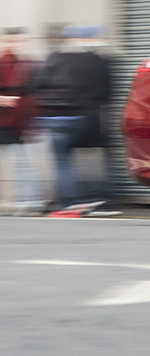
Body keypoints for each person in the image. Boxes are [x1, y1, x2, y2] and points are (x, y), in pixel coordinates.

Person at [25, 25, 113, 215]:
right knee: (91, 158)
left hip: (54, 116)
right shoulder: (96, 61)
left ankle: (68, 201)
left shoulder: (54, 58)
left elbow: (34, 85)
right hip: (83, 115)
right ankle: (98, 198)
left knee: (62, 161)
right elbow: (106, 92)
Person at [0, 28, 45, 215]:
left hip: (18, 122)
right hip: (5, 119)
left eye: (19, 41)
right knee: (23, 161)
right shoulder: (4, 65)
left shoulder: (28, 64)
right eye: (11, 41)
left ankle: (30, 200)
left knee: (23, 161)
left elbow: (34, 93)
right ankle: (30, 199)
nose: (15, 45)